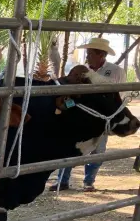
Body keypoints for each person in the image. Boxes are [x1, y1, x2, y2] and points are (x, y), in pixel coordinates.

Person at [50, 38, 126, 192]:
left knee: (98, 150)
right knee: (70, 146)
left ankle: (88, 181)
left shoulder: (116, 71)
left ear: (101, 55)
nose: (87, 56)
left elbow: (119, 95)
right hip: (80, 115)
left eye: (90, 53)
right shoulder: (81, 70)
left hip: (101, 117)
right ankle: (62, 181)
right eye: (87, 53)